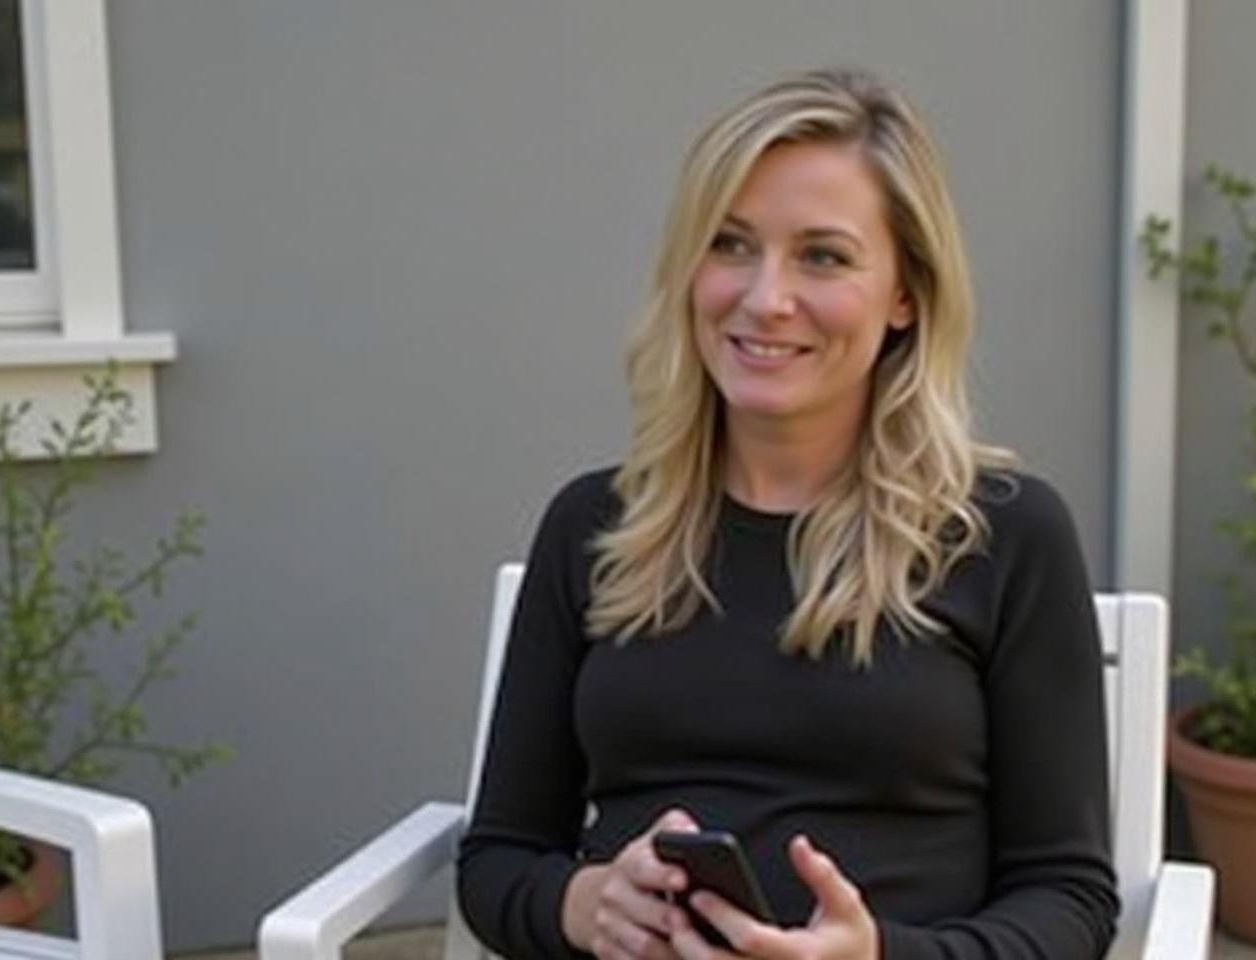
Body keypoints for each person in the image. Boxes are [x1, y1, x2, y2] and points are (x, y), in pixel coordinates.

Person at [456, 67, 1119, 960]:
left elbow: (1069, 902)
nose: (765, 298)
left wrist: (881, 955)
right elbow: (498, 858)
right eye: (729, 245)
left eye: (823, 255)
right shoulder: (595, 526)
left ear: (905, 295)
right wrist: (587, 903)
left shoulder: (1005, 538)